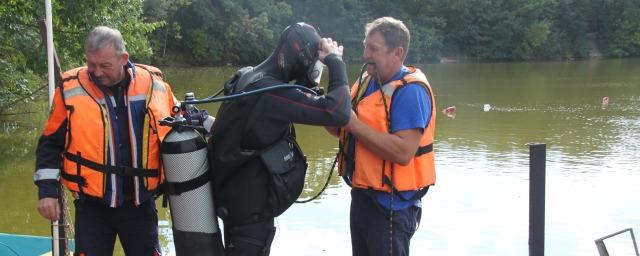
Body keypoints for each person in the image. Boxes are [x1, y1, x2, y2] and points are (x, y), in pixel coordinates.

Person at [34, 26, 179, 255]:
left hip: (140, 206)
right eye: (91, 64)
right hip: (92, 208)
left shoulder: (154, 84)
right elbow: (50, 143)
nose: (97, 72)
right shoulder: (70, 88)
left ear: (123, 58)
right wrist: (47, 192)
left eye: (104, 65)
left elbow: (179, 129)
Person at [208, 22, 350, 255]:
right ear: (303, 57)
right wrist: (335, 61)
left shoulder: (250, 77)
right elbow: (338, 112)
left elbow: (301, 97)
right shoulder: (273, 93)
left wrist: (312, 77)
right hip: (251, 215)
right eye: (313, 58)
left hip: (233, 201)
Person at [327, 17, 437, 256]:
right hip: (362, 196)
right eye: (365, 46)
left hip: (392, 208)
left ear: (397, 53)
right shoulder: (366, 81)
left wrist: (352, 124)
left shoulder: (411, 92)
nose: (365, 54)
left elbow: (403, 152)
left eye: (373, 49)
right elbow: (337, 129)